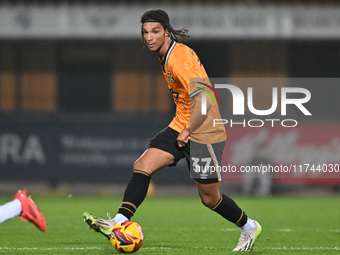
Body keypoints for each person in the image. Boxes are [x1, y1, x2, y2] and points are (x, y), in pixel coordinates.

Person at [83, 9, 261, 251]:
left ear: (167, 31)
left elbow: (207, 96)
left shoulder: (179, 58)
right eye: (145, 32)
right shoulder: (166, 54)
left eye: (155, 31)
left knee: (209, 198)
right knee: (142, 165)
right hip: (181, 125)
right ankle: (118, 223)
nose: (149, 37)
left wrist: (188, 129)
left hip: (205, 131)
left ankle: (249, 226)